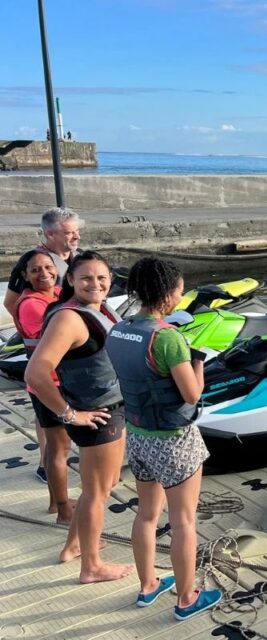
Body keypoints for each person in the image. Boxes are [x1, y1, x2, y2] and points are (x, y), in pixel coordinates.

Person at [105, 257, 222, 620]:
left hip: (138, 435)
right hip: (173, 440)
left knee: (146, 514)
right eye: (180, 292)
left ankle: (148, 585)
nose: (180, 298)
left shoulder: (119, 330)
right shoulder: (168, 338)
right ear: (168, 293)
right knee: (184, 521)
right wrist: (197, 360)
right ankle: (187, 598)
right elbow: (191, 394)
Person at [24, 250, 132, 583]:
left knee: (102, 486)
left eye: (101, 277)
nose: (94, 284)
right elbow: (36, 373)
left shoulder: (100, 309)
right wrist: (71, 415)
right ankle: (92, 567)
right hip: (97, 415)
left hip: (112, 408)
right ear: (70, 279)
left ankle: (73, 545)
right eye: (85, 278)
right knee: (97, 492)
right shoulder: (69, 318)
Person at [11, 250, 73, 521]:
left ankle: (56, 501)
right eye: (35, 270)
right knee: (59, 447)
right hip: (48, 385)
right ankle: (61, 509)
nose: (44, 274)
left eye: (48, 267)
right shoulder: (31, 305)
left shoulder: (57, 294)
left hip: (60, 381)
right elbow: (63, 339)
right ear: (25, 276)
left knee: (59, 445)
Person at [5, 207, 83, 317]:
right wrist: (37, 325)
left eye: (77, 231)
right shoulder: (30, 261)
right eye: (69, 233)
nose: (77, 237)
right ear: (50, 234)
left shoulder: (80, 256)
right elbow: (10, 303)